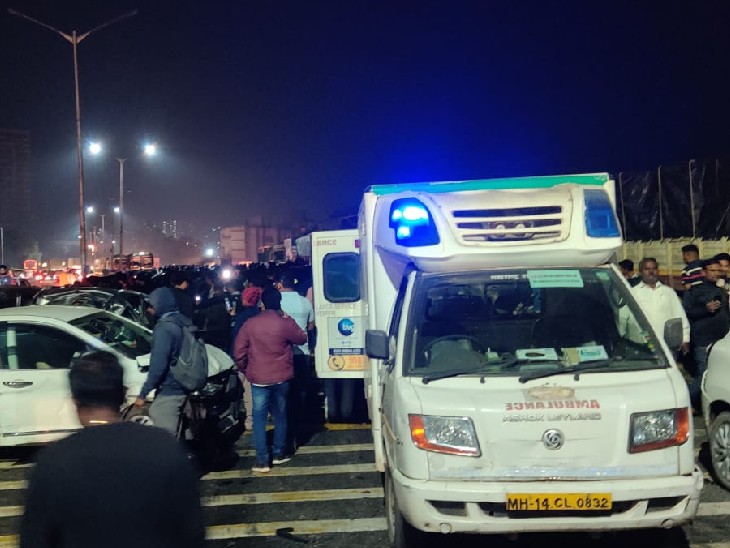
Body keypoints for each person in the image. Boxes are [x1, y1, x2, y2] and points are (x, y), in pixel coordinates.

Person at [19, 350, 204, 548]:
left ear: (74, 401)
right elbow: (191, 532)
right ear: (123, 394)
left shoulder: (53, 462)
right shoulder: (165, 447)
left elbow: (35, 539)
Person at [233, 286, 307, 473]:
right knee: (280, 415)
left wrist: (246, 369)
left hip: (258, 378)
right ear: (279, 303)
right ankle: (279, 453)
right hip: (281, 377)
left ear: (262, 303)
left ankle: (262, 460)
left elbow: (239, 352)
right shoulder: (283, 323)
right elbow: (302, 338)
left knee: (259, 419)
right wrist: (288, 318)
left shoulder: (250, 324)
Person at [134, 287, 188, 436]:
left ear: (160, 305)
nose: (149, 310)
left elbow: (158, 366)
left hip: (171, 389)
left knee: (165, 438)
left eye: (151, 306)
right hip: (184, 383)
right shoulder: (182, 321)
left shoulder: (164, 328)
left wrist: (143, 394)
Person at [683, 258, 730, 408]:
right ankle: (683, 399)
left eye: (718, 270)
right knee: (704, 375)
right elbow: (686, 312)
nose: (717, 273)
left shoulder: (720, 290)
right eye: (713, 270)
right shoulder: (694, 291)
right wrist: (705, 309)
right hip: (704, 340)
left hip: (721, 341)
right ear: (703, 272)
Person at [277, 271, 316, 446]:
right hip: (302, 352)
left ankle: (285, 424)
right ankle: (298, 421)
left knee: (283, 392)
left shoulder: (277, 302)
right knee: (300, 390)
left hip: (282, 354)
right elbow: (311, 326)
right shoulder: (304, 302)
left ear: (280, 285)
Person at [630, 258, 690, 354]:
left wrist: (685, 339)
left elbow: (679, 315)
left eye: (654, 268)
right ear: (640, 272)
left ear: (658, 271)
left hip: (668, 345)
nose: (651, 272)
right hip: (643, 344)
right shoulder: (634, 293)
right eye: (647, 269)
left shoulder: (668, 292)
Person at [230, 285, 263, 431]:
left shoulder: (241, 317)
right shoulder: (261, 315)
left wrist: (237, 359)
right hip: (261, 356)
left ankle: (250, 419)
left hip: (246, 358)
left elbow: (237, 340)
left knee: (247, 390)